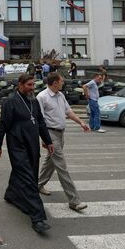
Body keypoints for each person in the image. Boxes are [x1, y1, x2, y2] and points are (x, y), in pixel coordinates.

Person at [0, 74, 55, 234]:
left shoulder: (33, 102)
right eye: (29, 85)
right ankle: (37, 218)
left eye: (33, 85)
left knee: (28, 175)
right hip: (17, 146)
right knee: (28, 180)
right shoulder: (10, 101)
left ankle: (12, 195)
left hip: (32, 146)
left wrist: (48, 141)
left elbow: (41, 122)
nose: (32, 88)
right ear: (20, 85)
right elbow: (3, 124)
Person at [36, 73, 90, 211]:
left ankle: (38, 184)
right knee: (61, 166)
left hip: (60, 133)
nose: (63, 83)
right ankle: (74, 200)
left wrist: (81, 122)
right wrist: (44, 139)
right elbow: (39, 120)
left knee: (50, 162)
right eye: (61, 81)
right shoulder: (42, 97)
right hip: (50, 133)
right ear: (54, 83)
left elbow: (68, 112)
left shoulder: (60, 95)